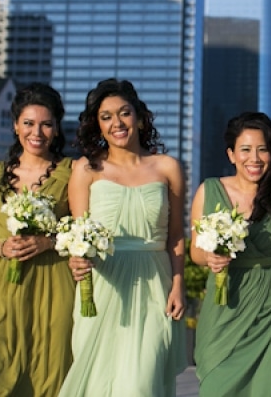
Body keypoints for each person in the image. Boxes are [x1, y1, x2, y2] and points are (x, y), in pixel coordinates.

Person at [59, 78, 186, 396]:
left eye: (124, 113)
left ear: (140, 117)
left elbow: (175, 236)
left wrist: (178, 285)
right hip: (103, 287)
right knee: (99, 381)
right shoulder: (86, 169)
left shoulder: (168, 167)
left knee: (142, 382)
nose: (117, 122)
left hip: (155, 284)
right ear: (97, 126)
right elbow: (79, 235)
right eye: (106, 116)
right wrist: (77, 261)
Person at [0, 83, 74, 397]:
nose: (36, 131)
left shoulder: (70, 172)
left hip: (52, 288)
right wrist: (2, 247)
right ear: (15, 126)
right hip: (1, 289)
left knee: (46, 378)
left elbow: (83, 228)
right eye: (28, 123)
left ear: (55, 129)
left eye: (46, 124)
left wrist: (48, 242)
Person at [190, 112, 271, 396]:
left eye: (262, 149)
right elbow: (195, 250)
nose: (254, 158)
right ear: (231, 154)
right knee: (216, 385)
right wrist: (211, 258)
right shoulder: (209, 190)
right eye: (245, 150)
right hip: (225, 304)